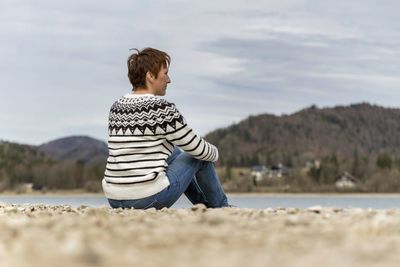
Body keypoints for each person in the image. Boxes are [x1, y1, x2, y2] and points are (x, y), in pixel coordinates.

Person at [102, 47, 229, 209]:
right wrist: (216, 154)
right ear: (150, 76)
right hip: (146, 199)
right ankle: (221, 207)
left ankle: (203, 205)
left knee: (174, 152)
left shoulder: (116, 107)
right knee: (200, 157)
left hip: (114, 199)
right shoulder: (161, 108)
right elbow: (198, 148)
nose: (169, 80)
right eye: (165, 73)